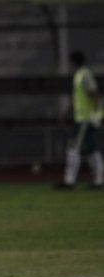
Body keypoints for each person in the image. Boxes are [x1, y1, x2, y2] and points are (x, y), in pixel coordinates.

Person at [56, 51, 103, 190]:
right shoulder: (79, 75)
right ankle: (98, 182)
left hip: (85, 119)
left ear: (73, 62)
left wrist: (96, 114)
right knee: (91, 150)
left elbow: (94, 94)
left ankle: (69, 181)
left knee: (73, 149)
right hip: (83, 118)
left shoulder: (84, 75)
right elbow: (77, 99)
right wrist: (67, 113)